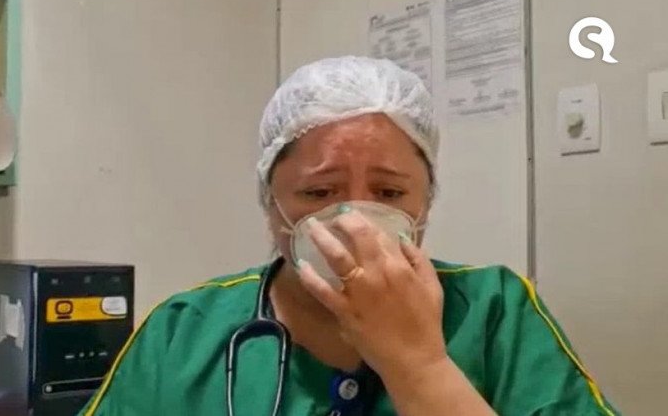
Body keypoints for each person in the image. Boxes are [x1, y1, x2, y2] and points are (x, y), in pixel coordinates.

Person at [79, 56, 620, 415]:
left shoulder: (496, 313)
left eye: (389, 193)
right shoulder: (182, 333)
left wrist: (419, 366)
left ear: (427, 201)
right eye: (318, 193)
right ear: (270, 203)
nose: (354, 221)